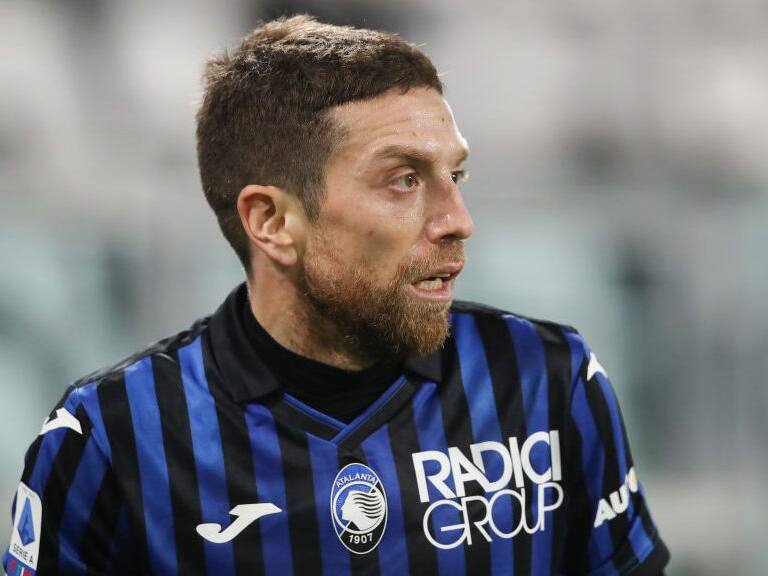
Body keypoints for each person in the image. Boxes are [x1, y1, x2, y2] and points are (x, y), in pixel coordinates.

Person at [3, 15, 670, 576]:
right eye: (404, 180)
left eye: (456, 175)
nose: (458, 220)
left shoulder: (546, 378)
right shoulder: (112, 434)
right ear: (272, 222)